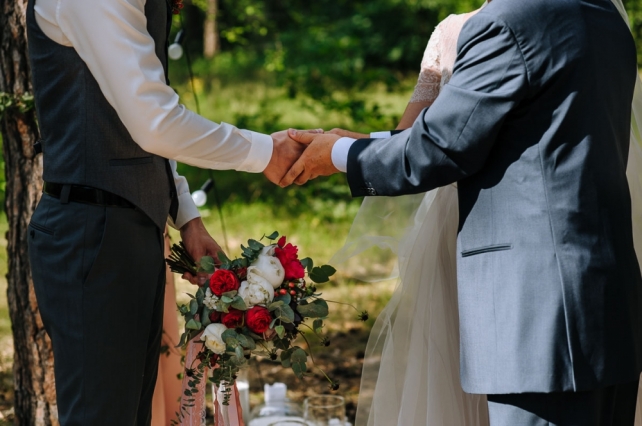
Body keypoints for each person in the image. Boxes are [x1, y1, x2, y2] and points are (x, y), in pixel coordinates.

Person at [282, 0, 642, 424]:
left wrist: (338, 155)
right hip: (609, 304)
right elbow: (509, 130)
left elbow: (439, 149)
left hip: (539, 319)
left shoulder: (509, 21)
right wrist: (359, 143)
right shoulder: (603, 15)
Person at [24, 0, 303, 424]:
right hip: (91, 237)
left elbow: (145, 115)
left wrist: (186, 216)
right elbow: (154, 121)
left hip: (126, 232)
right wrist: (264, 152)